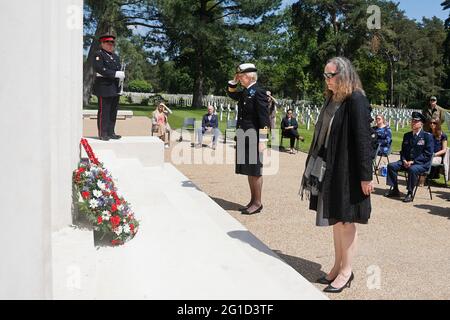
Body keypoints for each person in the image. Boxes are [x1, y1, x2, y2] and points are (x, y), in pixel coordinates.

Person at [300, 57, 374, 293]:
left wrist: (366, 176)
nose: (327, 80)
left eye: (330, 75)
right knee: (335, 219)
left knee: (346, 221)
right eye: (325, 75)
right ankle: (336, 266)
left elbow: (363, 139)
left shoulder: (356, 99)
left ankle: (347, 271)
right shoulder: (334, 98)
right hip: (331, 167)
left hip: (349, 172)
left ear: (343, 75)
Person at [227, 63, 270, 215]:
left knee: (255, 171)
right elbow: (232, 94)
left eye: (241, 76)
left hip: (254, 136)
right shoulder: (247, 91)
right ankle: (252, 201)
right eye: (238, 76)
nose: (239, 78)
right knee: (249, 170)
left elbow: (264, 118)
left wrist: (263, 140)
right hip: (244, 135)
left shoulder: (258, 91)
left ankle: (257, 203)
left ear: (250, 76)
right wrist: (233, 83)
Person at [384, 112, 433, 202]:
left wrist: (413, 162)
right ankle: (395, 189)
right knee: (391, 166)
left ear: (421, 123)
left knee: (412, 169)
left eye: (415, 121)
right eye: (412, 121)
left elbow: (428, 154)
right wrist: (404, 160)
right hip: (406, 162)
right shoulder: (407, 135)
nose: (413, 123)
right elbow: (402, 151)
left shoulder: (427, 137)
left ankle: (410, 192)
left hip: (421, 164)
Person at [92, 33, 124, 141]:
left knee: (113, 111)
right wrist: (115, 74)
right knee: (104, 111)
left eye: (112, 43)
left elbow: (118, 70)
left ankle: (111, 132)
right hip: (104, 87)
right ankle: (103, 133)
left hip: (115, 87)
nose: (110, 45)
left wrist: (121, 76)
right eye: (108, 42)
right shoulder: (98, 54)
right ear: (102, 43)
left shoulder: (115, 57)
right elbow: (100, 69)